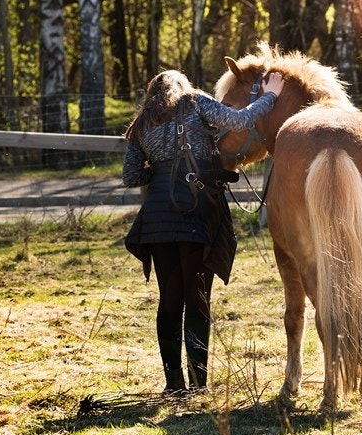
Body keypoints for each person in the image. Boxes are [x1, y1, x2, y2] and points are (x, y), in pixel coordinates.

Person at [121, 68, 285, 392]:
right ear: (183, 86)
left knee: (168, 301)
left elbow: (131, 176)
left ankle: (173, 385)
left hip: (156, 221)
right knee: (197, 300)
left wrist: (158, 169)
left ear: (151, 94)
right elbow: (239, 122)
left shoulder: (141, 125)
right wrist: (271, 96)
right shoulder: (195, 102)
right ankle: (198, 385)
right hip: (196, 215)